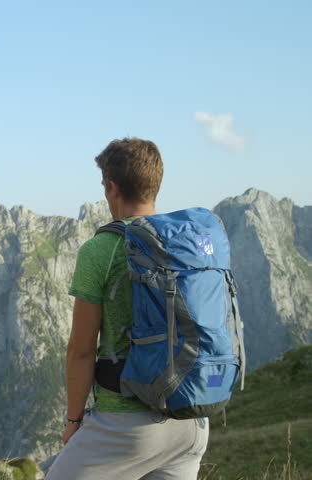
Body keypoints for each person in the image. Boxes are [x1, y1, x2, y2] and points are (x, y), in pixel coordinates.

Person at [46, 138, 209, 479]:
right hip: (191, 422)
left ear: (112, 187)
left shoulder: (102, 248)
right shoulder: (186, 243)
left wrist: (74, 420)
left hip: (128, 424)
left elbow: (81, 350)